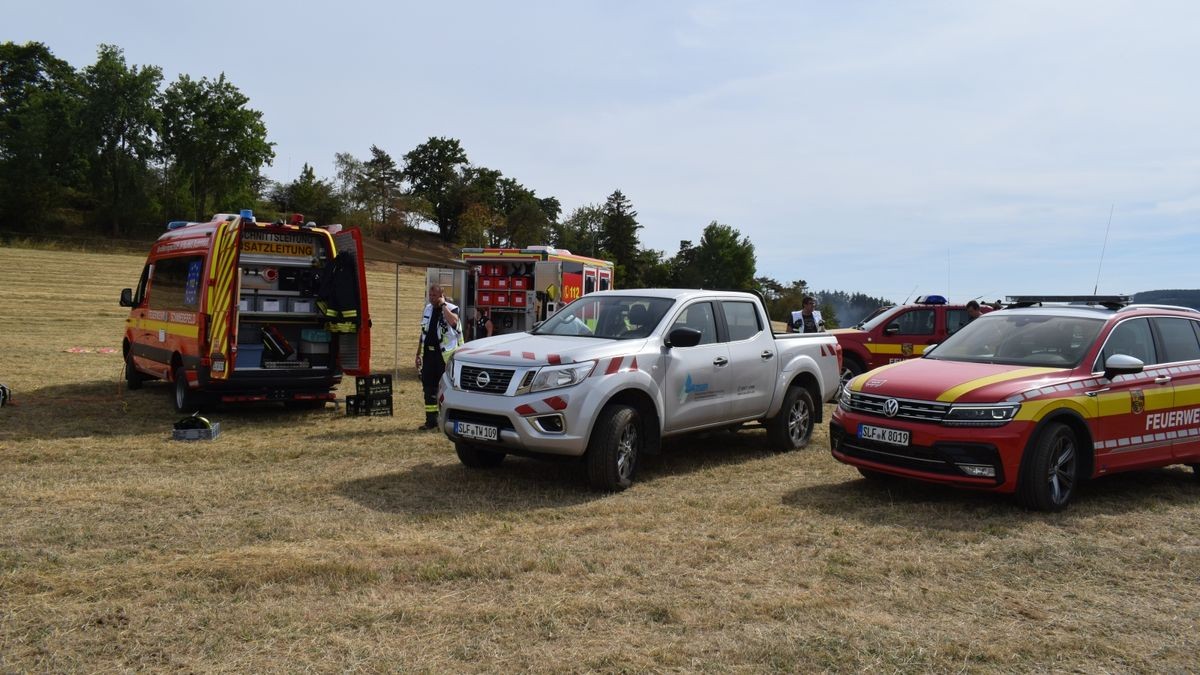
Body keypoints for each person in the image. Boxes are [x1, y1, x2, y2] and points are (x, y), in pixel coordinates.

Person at [415, 284, 460, 431]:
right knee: (428, 388)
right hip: (428, 355)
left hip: (443, 356)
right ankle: (431, 420)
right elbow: (423, 333)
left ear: (441, 295)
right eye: (430, 295)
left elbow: (454, 322)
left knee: (444, 389)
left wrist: (443, 306)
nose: (431, 298)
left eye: (434, 295)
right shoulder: (427, 309)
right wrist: (418, 353)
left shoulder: (452, 308)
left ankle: (444, 421)